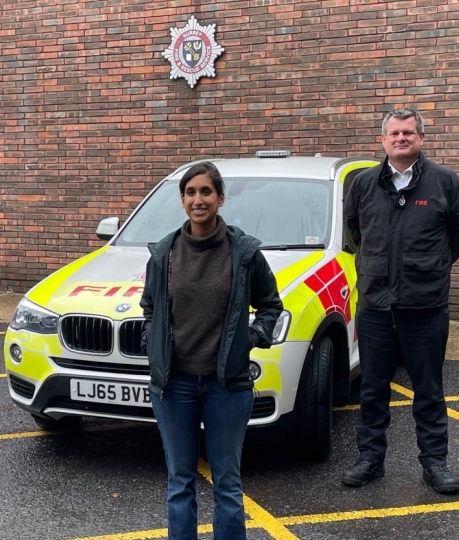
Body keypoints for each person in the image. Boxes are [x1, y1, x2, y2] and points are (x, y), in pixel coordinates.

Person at [140, 161, 283, 539]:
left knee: (228, 485)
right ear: (183, 200)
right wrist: (151, 348)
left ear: (220, 198)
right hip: (175, 386)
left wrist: (249, 340)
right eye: (190, 192)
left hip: (227, 386)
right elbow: (150, 308)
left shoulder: (245, 253)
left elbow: (271, 306)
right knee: (179, 483)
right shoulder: (164, 254)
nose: (198, 199)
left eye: (206, 192)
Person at [342, 108, 459, 495]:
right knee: (372, 389)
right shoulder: (364, 184)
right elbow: (354, 232)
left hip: (426, 306)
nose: (401, 138)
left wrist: (430, 268)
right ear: (382, 140)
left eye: (409, 133)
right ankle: (370, 460)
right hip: (376, 306)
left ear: (421, 138)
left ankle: (435, 464)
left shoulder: (445, 182)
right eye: (394, 133)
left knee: (429, 390)